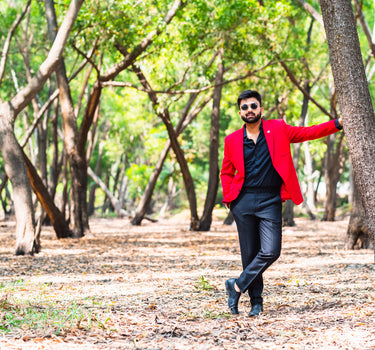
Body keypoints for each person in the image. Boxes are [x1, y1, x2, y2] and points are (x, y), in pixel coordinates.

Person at [220, 90, 343, 317]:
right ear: (240, 112)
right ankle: (256, 303)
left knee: (271, 251)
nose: (249, 110)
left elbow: (308, 132)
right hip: (243, 202)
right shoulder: (232, 140)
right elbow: (226, 172)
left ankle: (236, 285)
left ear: (261, 110)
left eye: (253, 106)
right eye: (245, 107)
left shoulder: (277, 128)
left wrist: (337, 123)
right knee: (249, 254)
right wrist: (230, 199)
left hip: (270, 200)